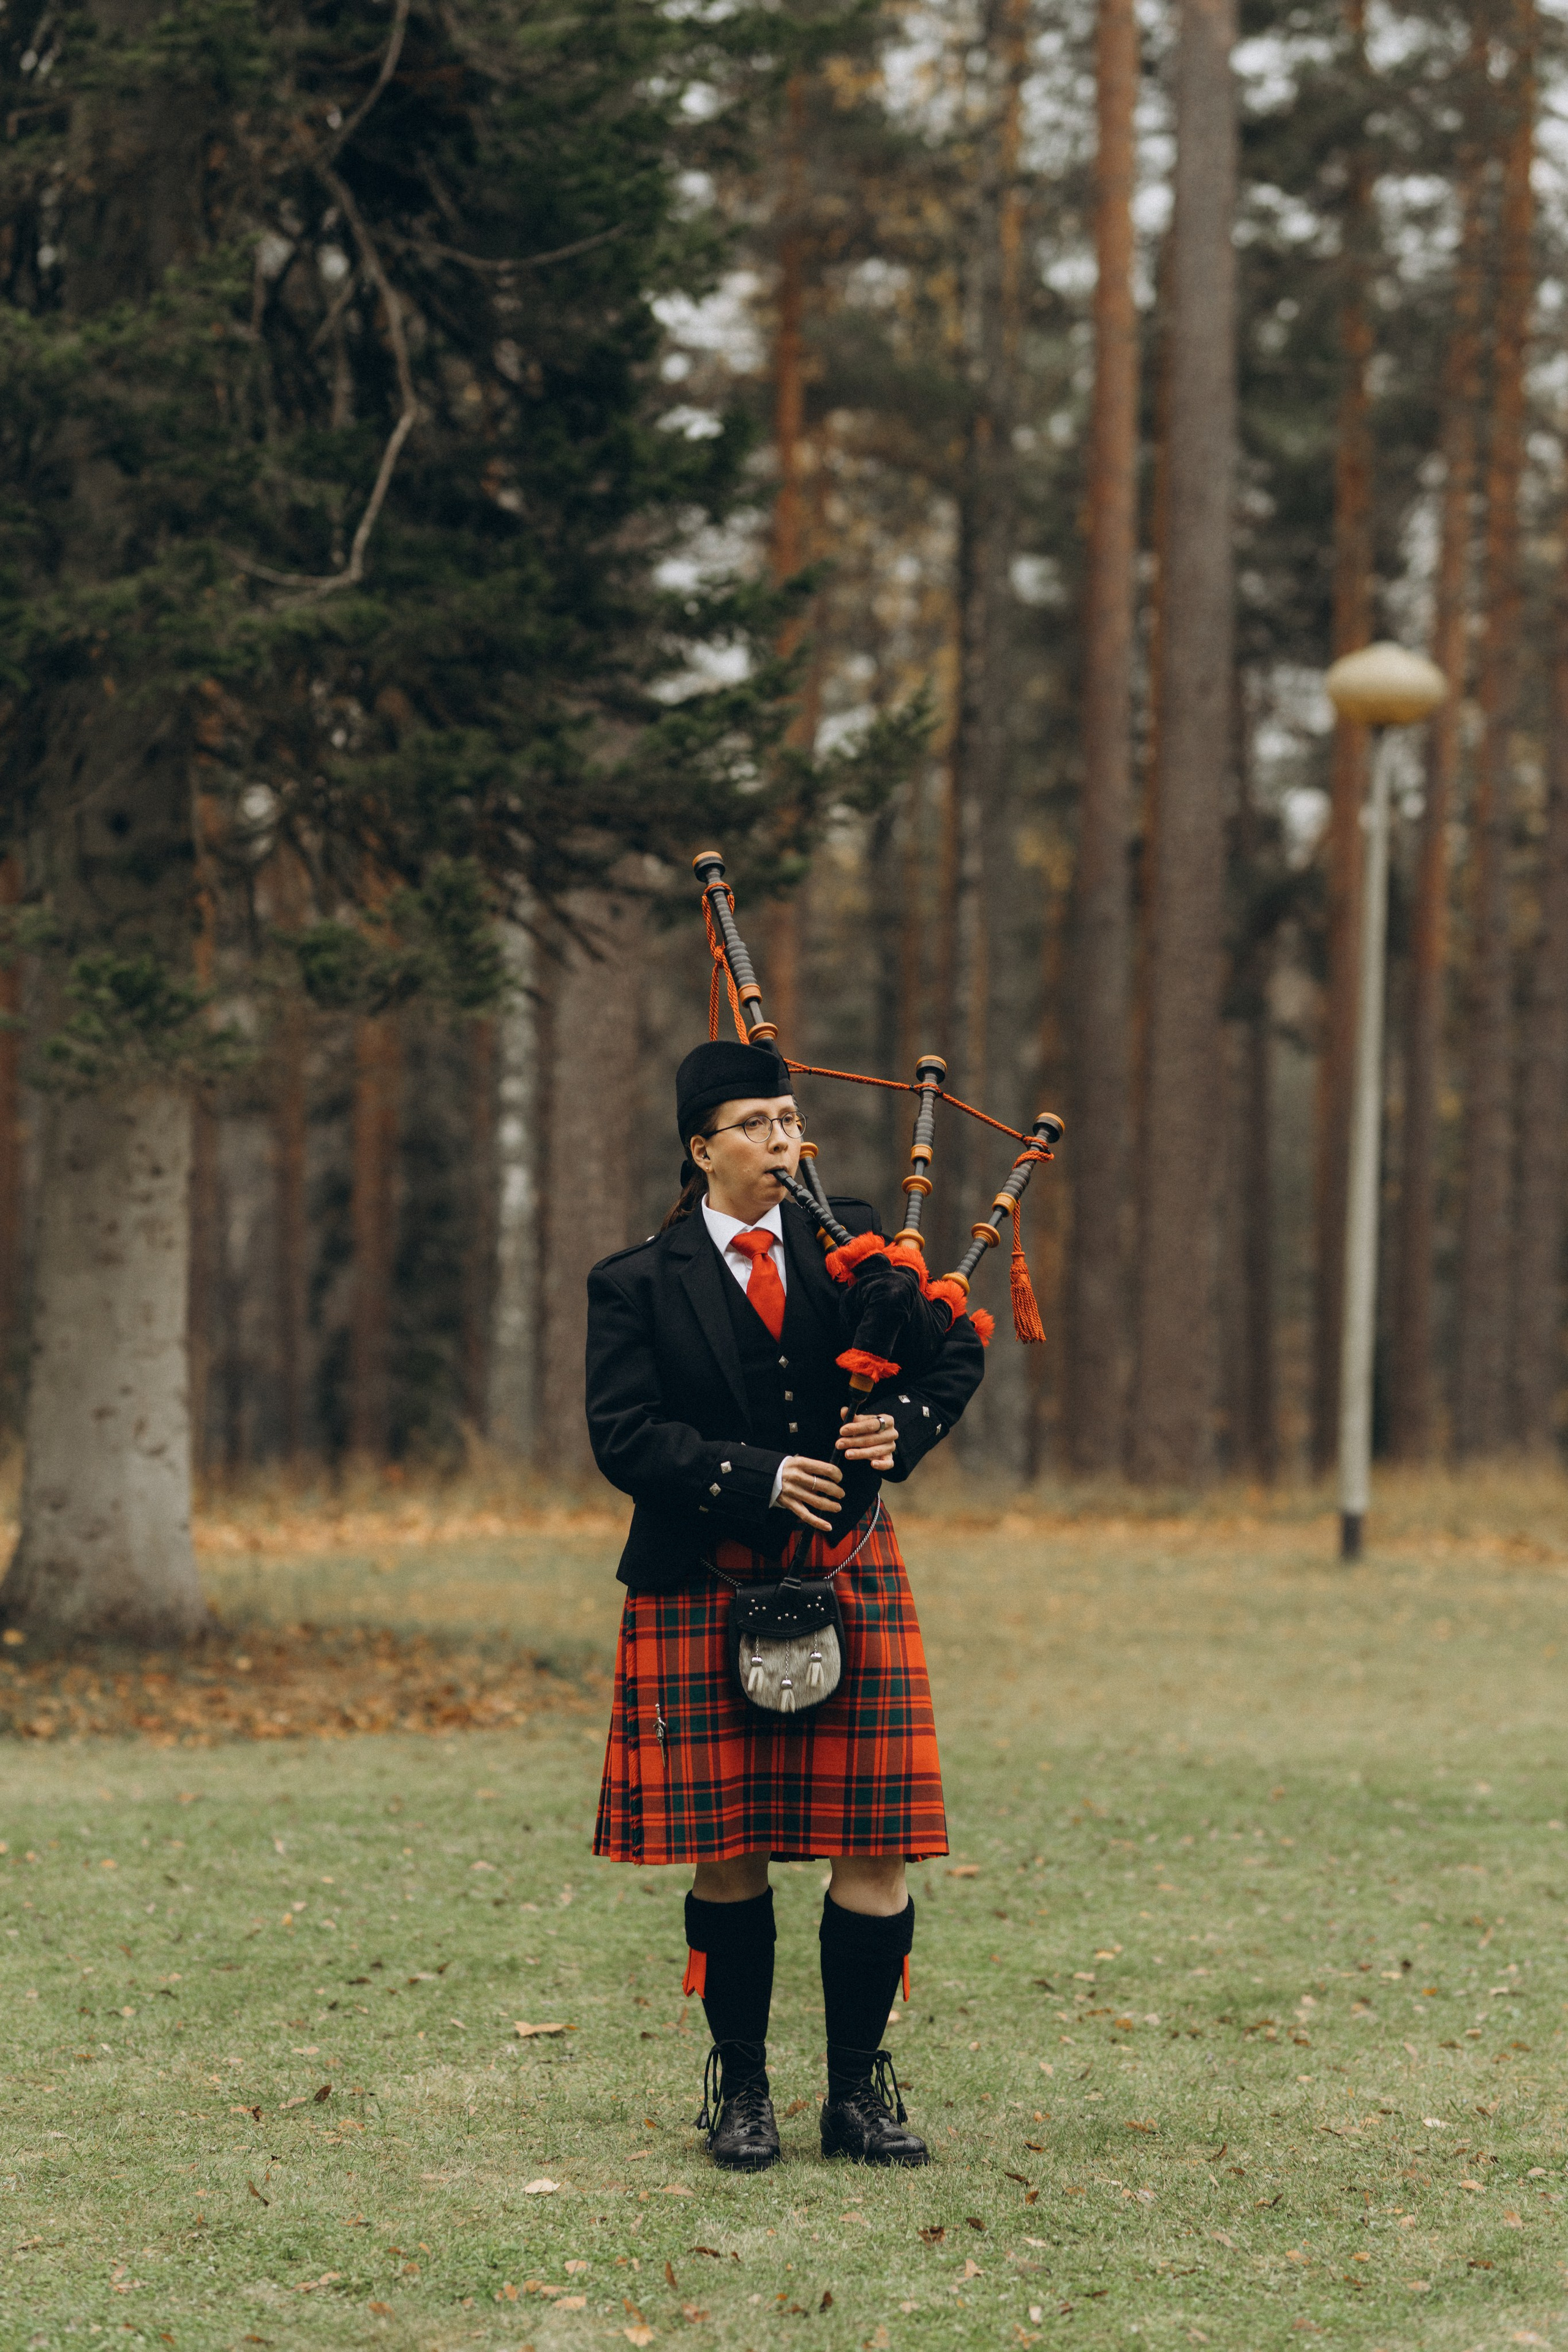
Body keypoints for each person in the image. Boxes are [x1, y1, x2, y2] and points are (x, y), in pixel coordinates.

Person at [586, 1037, 984, 2172]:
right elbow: (623, 1436)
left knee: (877, 1847)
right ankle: (745, 2095)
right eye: (757, 1125)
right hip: (703, 1577)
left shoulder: (852, 1246)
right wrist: (752, 1476)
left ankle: (855, 2097)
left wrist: (903, 1427)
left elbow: (952, 1351)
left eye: (791, 1120)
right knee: (729, 1851)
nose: (783, 1141)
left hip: (846, 1565)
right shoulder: (635, 1281)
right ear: (702, 1148)